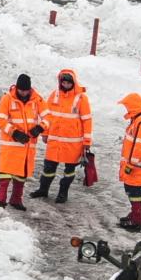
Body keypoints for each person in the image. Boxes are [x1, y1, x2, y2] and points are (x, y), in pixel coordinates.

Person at [32, 68, 91, 203]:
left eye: (68, 83)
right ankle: (43, 190)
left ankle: (63, 193)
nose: (66, 85)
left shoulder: (81, 98)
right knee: (48, 168)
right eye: (63, 83)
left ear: (73, 83)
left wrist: (87, 141)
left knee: (69, 170)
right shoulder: (54, 95)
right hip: (55, 140)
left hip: (72, 143)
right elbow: (47, 116)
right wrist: (45, 133)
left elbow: (87, 120)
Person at [0, 74, 46, 211]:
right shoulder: (7, 99)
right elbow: (0, 120)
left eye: (26, 90)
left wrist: (40, 128)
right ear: (17, 88)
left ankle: (16, 200)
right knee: (5, 173)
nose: (23, 93)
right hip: (10, 144)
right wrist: (14, 132)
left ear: (29, 89)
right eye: (21, 90)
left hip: (27, 145)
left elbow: (48, 117)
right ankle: (0, 199)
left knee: (21, 175)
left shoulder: (37, 100)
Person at [117, 92, 141, 230]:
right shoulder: (139, 119)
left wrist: (130, 165)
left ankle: (137, 219)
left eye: (127, 106)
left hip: (137, 167)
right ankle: (134, 214)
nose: (126, 109)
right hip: (136, 166)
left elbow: (139, 146)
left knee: (135, 192)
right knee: (132, 191)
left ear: (134, 106)